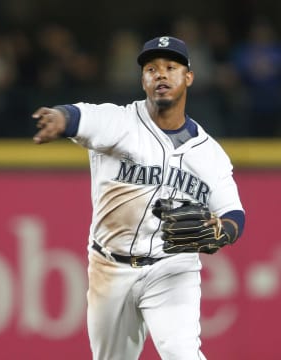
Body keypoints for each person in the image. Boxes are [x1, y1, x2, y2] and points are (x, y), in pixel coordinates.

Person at [32, 36, 245, 360]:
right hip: (109, 267)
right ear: (142, 80)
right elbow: (81, 116)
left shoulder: (209, 154)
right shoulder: (120, 122)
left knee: (182, 353)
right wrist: (59, 119)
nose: (160, 74)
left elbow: (233, 212)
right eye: (151, 69)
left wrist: (223, 231)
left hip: (173, 267)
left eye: (171, 67)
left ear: (188, 77)